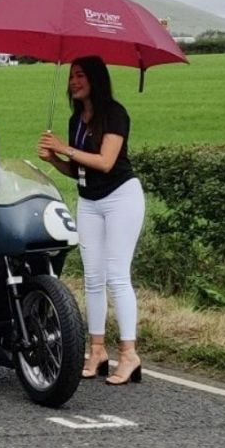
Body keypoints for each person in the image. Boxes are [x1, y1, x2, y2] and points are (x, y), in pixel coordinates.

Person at [38, 55, 145, 386]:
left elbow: (105, 162)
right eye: (71, 76)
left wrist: (64, 148)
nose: (74, 81)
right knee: (92, 278)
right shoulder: (76, 119)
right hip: (89, 201)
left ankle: (128, 354)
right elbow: (78, 170)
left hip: (120, 198)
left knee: (116, 275)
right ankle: (97, 350)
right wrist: (54, 158)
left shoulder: (114, 113)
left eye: (81, 75)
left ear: (95, 79)